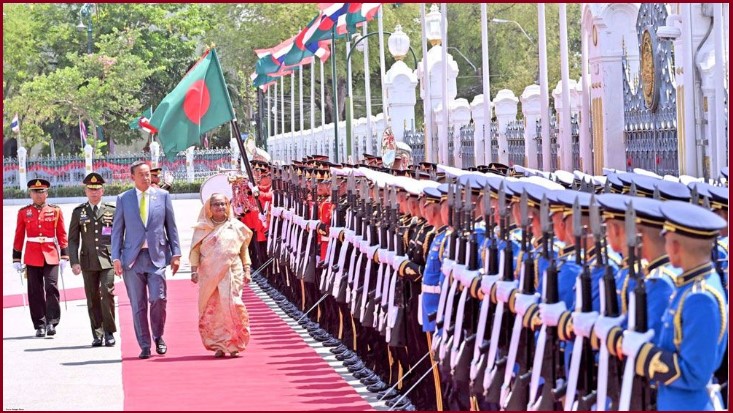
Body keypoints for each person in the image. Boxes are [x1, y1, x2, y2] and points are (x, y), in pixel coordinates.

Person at [619, 201, 728, 410]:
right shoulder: (689, 286)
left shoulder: (700, 297)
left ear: (676, 247)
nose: (665, 248)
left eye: (667, 241)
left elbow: (695, 373)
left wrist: (643, 353)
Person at [111, 160, 181, 359]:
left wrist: (176, 254)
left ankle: (158, 336)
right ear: (132, 177)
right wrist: (116, 257)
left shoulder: (163, 196)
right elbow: (117, 231)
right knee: (138, 304)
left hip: (156, 258)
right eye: (141, 174)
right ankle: (144, 344)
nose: (146, 177)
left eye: (148, 174)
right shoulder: (124, 199)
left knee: (158, 299)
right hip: (132, 260)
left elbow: (171, 227)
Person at [189, 193, 253, 358]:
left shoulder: (237, 227)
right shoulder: (202, 228)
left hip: (233, 272)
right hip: (209, 274)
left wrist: (247, 269)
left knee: (233, 305)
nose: (220, 207)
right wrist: (194, 270)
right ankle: (218, 344)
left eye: (223, 204)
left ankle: (234, 343)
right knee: (213, 308)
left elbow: (243, 250)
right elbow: (195, 250)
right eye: (216, 204)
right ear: (209, 208)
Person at [12, 179, 69, 337]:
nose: (39, 194)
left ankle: (52, 322)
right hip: (32, 255)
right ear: (30, 193)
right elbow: (19, 235)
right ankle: (40, 324)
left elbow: (62, 234)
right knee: (35, 291)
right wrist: (16, 258)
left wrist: (65, 255)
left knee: (51, 287)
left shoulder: (55, 211)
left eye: (42, 191)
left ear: (47, 193)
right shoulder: (24, 212)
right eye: (35, 192)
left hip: (51, 254)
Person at [68, 173, 118, 347]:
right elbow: (73, 239)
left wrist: (121, 258)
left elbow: (119, 236)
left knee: (107, 293)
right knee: (92, 297)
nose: (94, 192)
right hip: (88, 261)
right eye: (91, 189)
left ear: (102, 190)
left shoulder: (112, 210)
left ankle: (109, 331)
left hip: (108, 259)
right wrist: (74, 261)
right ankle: (97, 333)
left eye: (97, 189)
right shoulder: (79, 212)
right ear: (86, 191)